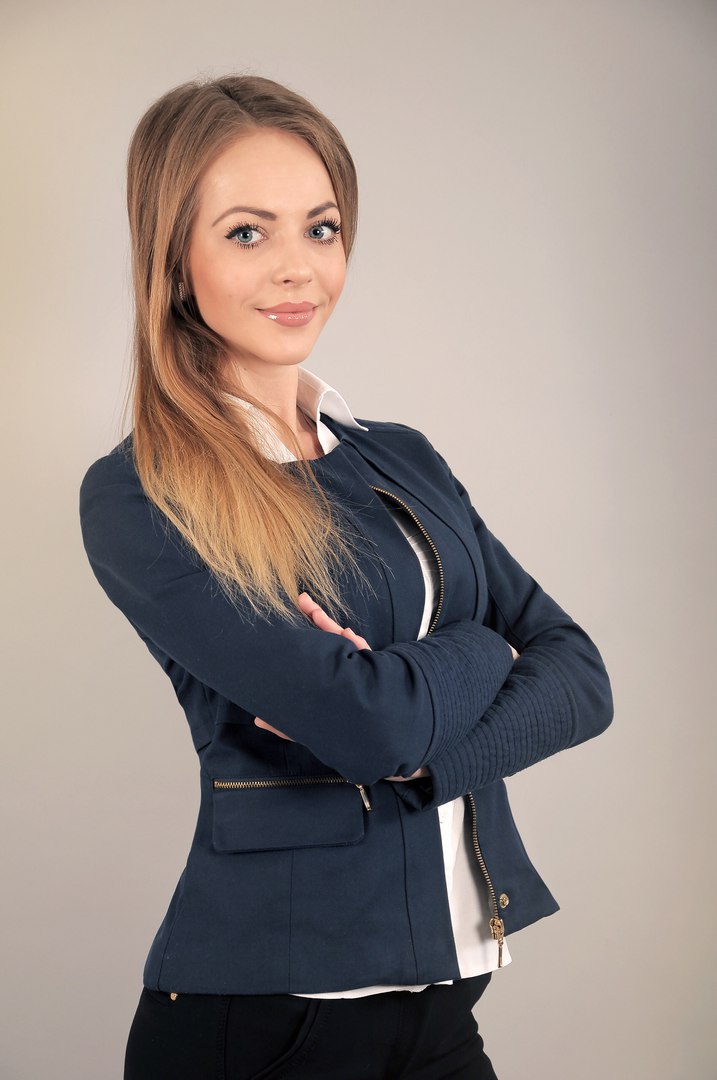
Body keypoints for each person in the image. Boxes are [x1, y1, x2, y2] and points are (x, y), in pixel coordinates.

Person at [79, 74, 614, 1080]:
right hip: (263, 1029)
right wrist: (488, 649)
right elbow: (368, 725)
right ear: (175, 260)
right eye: (247, 233)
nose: (298, 268)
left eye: (320, 228)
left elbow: (581, 677)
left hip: (440, 1015)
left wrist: (419, 745)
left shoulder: (401, 458)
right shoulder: (145, 494)